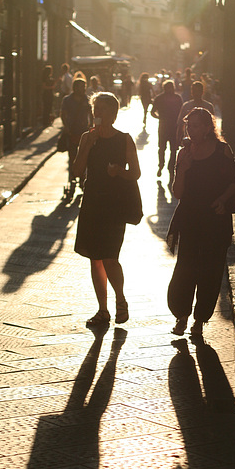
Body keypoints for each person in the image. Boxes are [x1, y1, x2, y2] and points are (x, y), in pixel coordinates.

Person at [167, 107, 235, 337]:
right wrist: (183, 169)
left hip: (214, 219)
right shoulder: (184, 153)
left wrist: (222, 199)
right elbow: (177, 192)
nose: (192, 130)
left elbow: (234, 184)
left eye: (197, 126)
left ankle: (199, 320)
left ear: (209, 127)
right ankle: (181, 315)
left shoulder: (222, 151)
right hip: (190, 218)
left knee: (210, 271)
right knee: (185, 269)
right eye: (189, 125)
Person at [73, 92, 141, 327]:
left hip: (114, 205)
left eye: (102, 109)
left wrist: (119, 172)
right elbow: (76, 171)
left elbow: (136, 173)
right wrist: (87, 147)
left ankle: (120, 299)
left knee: (111, 257)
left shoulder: (124, 140)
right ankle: (102, 310)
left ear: (113, 114)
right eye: (95, 109)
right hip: (92, 202)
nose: (97, 113)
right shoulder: (87, 138)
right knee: (95, 258)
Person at [61, 77, 92, 196]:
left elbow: (92, 114)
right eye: (81, 87)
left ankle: (82, 179)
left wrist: (92, 127)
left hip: (84, 132)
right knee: (73, 157)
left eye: (84, 87)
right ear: (75, 88)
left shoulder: (86, 99)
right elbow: (63, 114)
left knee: (85, 156)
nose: (83, 89)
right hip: (72, 132)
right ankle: (72, 180)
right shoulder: (67, 100)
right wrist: (66, 127)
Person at [151, 79, 182, 179]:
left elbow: (152, 112)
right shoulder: (177, 98)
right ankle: (170, 167)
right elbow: (181, 113)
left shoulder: (159, 98)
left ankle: (162, 166)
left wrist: (159, 118)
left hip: (164, 126)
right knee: (173, 149)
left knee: (162, 148)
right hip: (174, 127)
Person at [176, 81, 215, 146]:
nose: (196, 93)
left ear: (202, 92)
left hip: (205, 142)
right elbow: (180, 124)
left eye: (198, 91)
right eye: (194, 91)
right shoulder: (186, 106)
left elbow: (212, 126)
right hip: (189, 142)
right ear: (191, 92)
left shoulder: (209, 106)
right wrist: (178, 139)